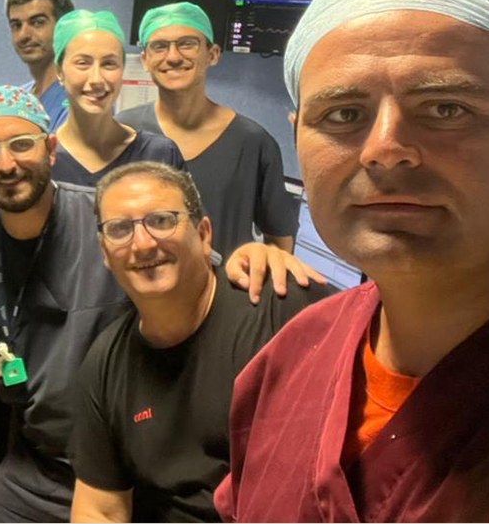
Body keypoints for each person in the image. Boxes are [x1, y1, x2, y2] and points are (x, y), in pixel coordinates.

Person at [215, 0, 489, 522]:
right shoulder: (289, 361)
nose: (384, 149)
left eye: (445, 107)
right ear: (298, 137)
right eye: (342, 115)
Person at [0, 86, 314, 523]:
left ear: (51, 148)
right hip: (37, 470)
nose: (6, 164)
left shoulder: (108, 221)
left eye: (22, 144)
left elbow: (195, 272)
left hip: (138, 467)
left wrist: (253, 256)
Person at [69, 162, 332, 523]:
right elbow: (99, 509)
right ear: (104, 251)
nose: (143, 244)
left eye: (161, 221)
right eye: (120, 230)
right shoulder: (105, 365)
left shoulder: (283, 308)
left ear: (204, 233)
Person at [116, 1, 297, 258]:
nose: (173, 56)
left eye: (187, 43)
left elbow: (279, 244)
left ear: (212, 54)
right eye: (159, 46)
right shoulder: (124, 132)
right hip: (137, 294)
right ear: (145, 59)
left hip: (226, 293)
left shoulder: (253, 142)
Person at [50, 9, 185, 186]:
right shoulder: (40, 159)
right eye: (83, 63)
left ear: (122, 70)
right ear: (59, 72)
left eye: (109, 64)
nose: (96, 79)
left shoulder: (159, 155)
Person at [5, 0, 75, 127]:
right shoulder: (17, 98)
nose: (23, 35)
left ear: (64, 27)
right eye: (16, 25)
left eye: (37, 22)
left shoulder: (81, 98)